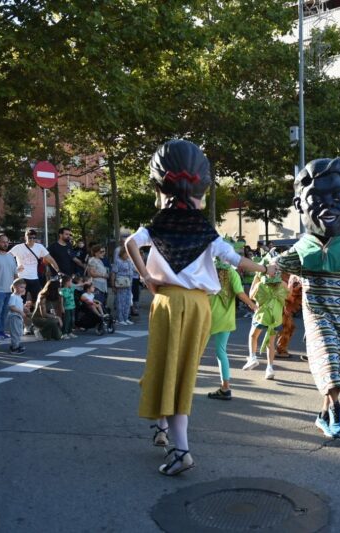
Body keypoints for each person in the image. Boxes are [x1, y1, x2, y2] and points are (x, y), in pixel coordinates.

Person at [125, 139, 271, 476]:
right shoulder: (205, 230)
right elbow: (237, 261)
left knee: (166, 371)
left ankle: (180, 449)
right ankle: (165, 431)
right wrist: (266, 268)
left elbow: (130, 243)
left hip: (167, 301)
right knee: (180, 374)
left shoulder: (159, 224)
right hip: (198, 305)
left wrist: (146, 276)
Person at [273, 157, 340, 439]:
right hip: (317, 313)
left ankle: (324, 413)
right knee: (326, 358)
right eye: (316, 198)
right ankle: (336, 410)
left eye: (337, 197)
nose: (328, 206)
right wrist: (261, 270)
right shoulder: (302, 248)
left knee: (339, 364)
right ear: (300, 204)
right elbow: (277, 265)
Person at [207, 259, 256, 400]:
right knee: (221, 352)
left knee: (195, 352)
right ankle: (225, 387)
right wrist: (253, 305)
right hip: (225, 319)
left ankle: (183, 387)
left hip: (206, 316)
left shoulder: (207, 270)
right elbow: (240, 293)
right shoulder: (232, 273)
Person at [243, 264, 287, 380]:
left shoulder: (260, 284)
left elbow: (251, 295)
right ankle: (269, 368)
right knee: (270, 343)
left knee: (253, 336)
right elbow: (288, 295)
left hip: (262, 315)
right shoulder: (283, 284)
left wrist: (256, 278)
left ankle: (253, 357)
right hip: (276, 317)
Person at [10, 229, 59, 304]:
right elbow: (7, 258)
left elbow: (50, 259)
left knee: (38, 301)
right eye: (30, 237)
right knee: (20, 301)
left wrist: (58, 271)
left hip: (34, 278)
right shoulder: (18, 247)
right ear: (25, 237)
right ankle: (20, 311)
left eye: (34, 238)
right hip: (22, 278)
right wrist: (15, 269)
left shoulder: (39, 247)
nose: (32, 239)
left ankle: (34, 311)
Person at [110, 245, 135, 325]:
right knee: (120, 301)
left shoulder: (129, 261)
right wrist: (113, 285)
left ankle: (126, 318)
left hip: (129, 284)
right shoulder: (117, 261)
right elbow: (113, 273)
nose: (128, 255)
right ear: (122, 253)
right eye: (126, 253)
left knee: (128, 301)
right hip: (121, 284)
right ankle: (120, 319)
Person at [7, 279, 28, 354]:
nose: (23, 289)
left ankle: (16, 345)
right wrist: (21, 311)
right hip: (14, 317)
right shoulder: (13, 296)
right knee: (15, 332)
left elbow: (19, 305)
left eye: (24, 287)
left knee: (18, 332)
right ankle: (14, 348)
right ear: (15, 287)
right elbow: (12, 307)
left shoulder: (19, 297)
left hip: (18, 317)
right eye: (21, 287)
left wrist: (24, 308)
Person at [59, 275, 78, 339]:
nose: (71, 283)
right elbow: (61, 299)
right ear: (67, 282)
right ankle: (64, 333)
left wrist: (85, 283)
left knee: (72, 320)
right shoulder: (62, 290)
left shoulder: (71, 288)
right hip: (66, 308)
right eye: (70, 282)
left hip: (72, 307)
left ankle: (70, 332)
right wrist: (62, 307)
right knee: (67, 320)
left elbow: (78, 285)